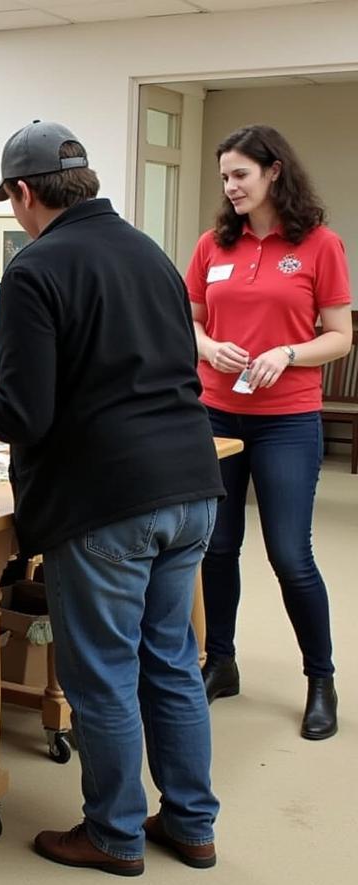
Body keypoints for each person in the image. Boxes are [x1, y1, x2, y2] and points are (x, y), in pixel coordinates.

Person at [0, 121, 225, 876]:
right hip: (190, 486)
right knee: (171, 661)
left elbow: (26, 416)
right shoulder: (149, 252)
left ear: (19, 194)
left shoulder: (37, 270)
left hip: (108, 500)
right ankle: (190, 823)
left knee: (104, 672)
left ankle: (112, 835)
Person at [185, 125, 351, 741]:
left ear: (274, 172)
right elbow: (190, 324)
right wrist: (209, 346)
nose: (230, 187)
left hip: (287, 419)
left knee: (290, 553)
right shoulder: (212, 246)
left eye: (240, 175)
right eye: (224, 177)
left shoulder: (319, 245)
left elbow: (340, 334)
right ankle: (220, 663)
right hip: (215, 414)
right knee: (216, 547)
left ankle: (321, 678)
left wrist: (289, 353)